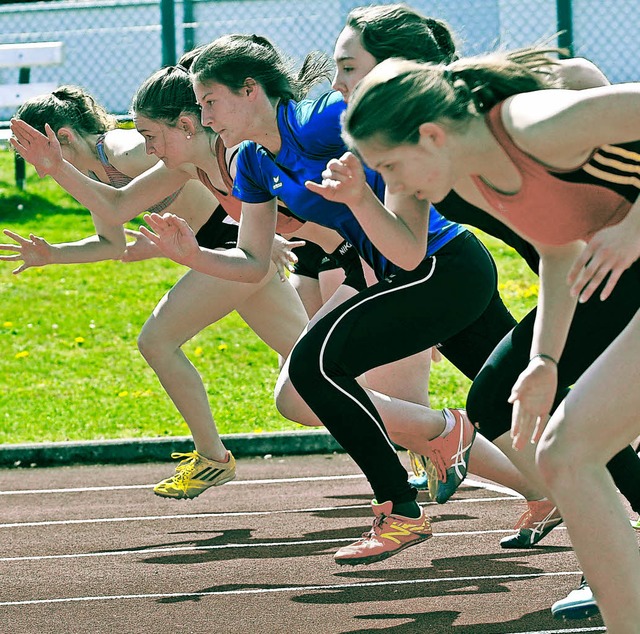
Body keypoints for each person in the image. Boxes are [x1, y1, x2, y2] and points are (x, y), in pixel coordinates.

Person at [129, 33, 556, 564]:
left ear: (250, 90)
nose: (205, 115)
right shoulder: (254, 166)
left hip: (440, 267)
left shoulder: (322, 119)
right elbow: (255, 263)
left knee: (312, 369)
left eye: (210, 101)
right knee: (514, 400)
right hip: (403, 274)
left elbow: (400, 126)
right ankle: (577, 487)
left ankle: (400, 508)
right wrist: (190, 254)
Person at [331, 12, 640, 609]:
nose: (401, 185)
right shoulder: (474, 174)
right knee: (561, 449)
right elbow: (556, 249)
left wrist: (634, 226)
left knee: (570, 451)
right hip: (609, 280)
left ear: (431, 135)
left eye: (391, 168)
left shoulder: (531, 122)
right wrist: (546, 359)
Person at [2, 78, 313, 500]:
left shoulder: (121, 149)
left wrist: (256, 230)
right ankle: (422, 433)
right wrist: (52, 254)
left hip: (233, 248)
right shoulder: (84, 173)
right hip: (226, 253)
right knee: (312, 373)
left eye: (31, 150)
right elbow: (111, 243)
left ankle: (212, 457)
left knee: (157, 341)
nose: (31, 163)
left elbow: (199, 166)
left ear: (63, 138)